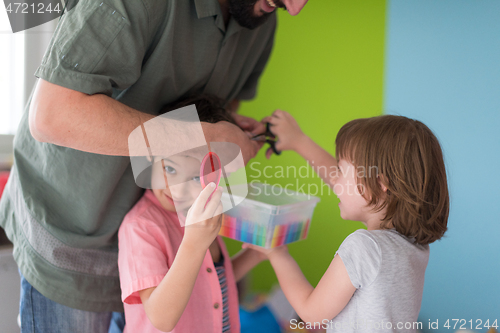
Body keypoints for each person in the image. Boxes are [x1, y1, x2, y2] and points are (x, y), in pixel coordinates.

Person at [0, 0, 309, 332]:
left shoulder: (260, 19)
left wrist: (227, 129)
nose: (295, 8)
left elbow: (208, 281)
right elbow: (52, 115)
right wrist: (206, 136)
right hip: (72, 234)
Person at [244, 111, 449, 332]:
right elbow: (355, 189)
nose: (335, 178)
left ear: (380, 184)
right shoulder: (412, 246)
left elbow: (311, 314)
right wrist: (298, 141)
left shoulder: (364, 247)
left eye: (341, 170)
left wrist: (277, 255)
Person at [118, 95, 267, 333]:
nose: (177, 189)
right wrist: (194, 245)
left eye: (196, 177)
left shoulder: (200, 212)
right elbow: (160, 318)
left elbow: (208, 282)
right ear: (152, 156)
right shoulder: (141, 227)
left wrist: (256, 255)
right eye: (170, 168)